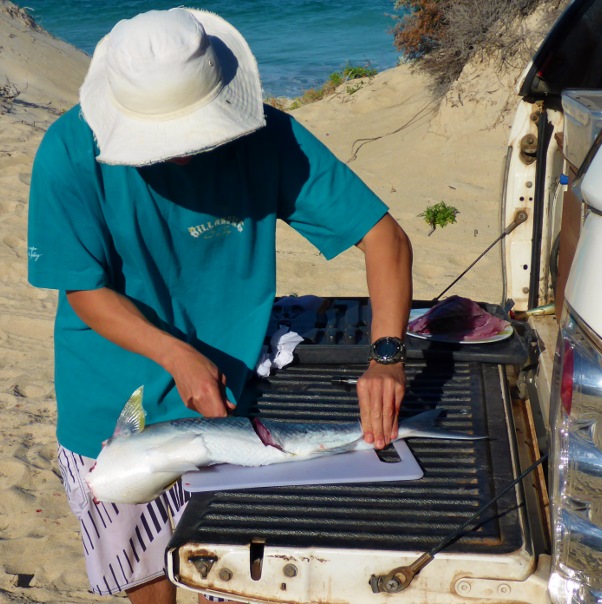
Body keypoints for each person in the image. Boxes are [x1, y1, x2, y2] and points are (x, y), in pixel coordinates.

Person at [27, 7, 412, 604]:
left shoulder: (272, 138)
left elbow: (384, 239)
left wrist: (387, 356)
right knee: (146, 582)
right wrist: (177, 357)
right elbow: (85, 291)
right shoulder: (69, 151)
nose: (180, 152)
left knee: (229, 582)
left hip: (236, 403)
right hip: (110, 408)